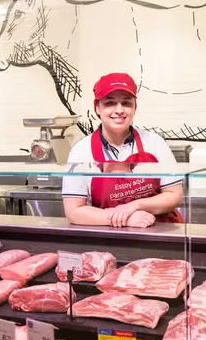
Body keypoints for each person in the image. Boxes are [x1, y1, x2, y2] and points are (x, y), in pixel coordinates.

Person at [61, 73, 184, 228]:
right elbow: (74, 211)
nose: (119, 110)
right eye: (110, 103)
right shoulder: (81, 150)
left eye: (126, 103)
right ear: (97, 108)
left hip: (161, 231)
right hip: (110, 236)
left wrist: (134, 206)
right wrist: (125, 219)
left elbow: (174, 195)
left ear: (135, 107)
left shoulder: (154, 143)